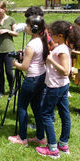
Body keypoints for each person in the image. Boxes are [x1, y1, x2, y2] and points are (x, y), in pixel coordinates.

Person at [35, 21, 80, 158]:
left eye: (52, 34)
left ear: (60, 35)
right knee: (64, 113)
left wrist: (50, 60)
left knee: (45, 114)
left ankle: (53, 149)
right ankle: (63, 144)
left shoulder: (62, 49)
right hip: (62, 85)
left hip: (55, 86)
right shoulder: (63, 46)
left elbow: (65, 71)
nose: (50, 36)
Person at [8, 15, 48, 146]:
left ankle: (22, 138)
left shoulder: (31, 45)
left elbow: (25, 67)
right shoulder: (42, 40)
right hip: (42, 76)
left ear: (34, 28)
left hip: (32, 78)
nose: (25, 27)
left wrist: (15, 63)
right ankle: (40, 137)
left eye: (27, 25)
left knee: (22, 107)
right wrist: (25, 55)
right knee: (37, 107)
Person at [0, 1, 18, 98]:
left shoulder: (11, 20)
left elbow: (16, 33)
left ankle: (12, 89)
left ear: (4, 9)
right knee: (0, 71)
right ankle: (1, 91)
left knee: (9, 71)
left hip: (9, 49)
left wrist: (7, 31)